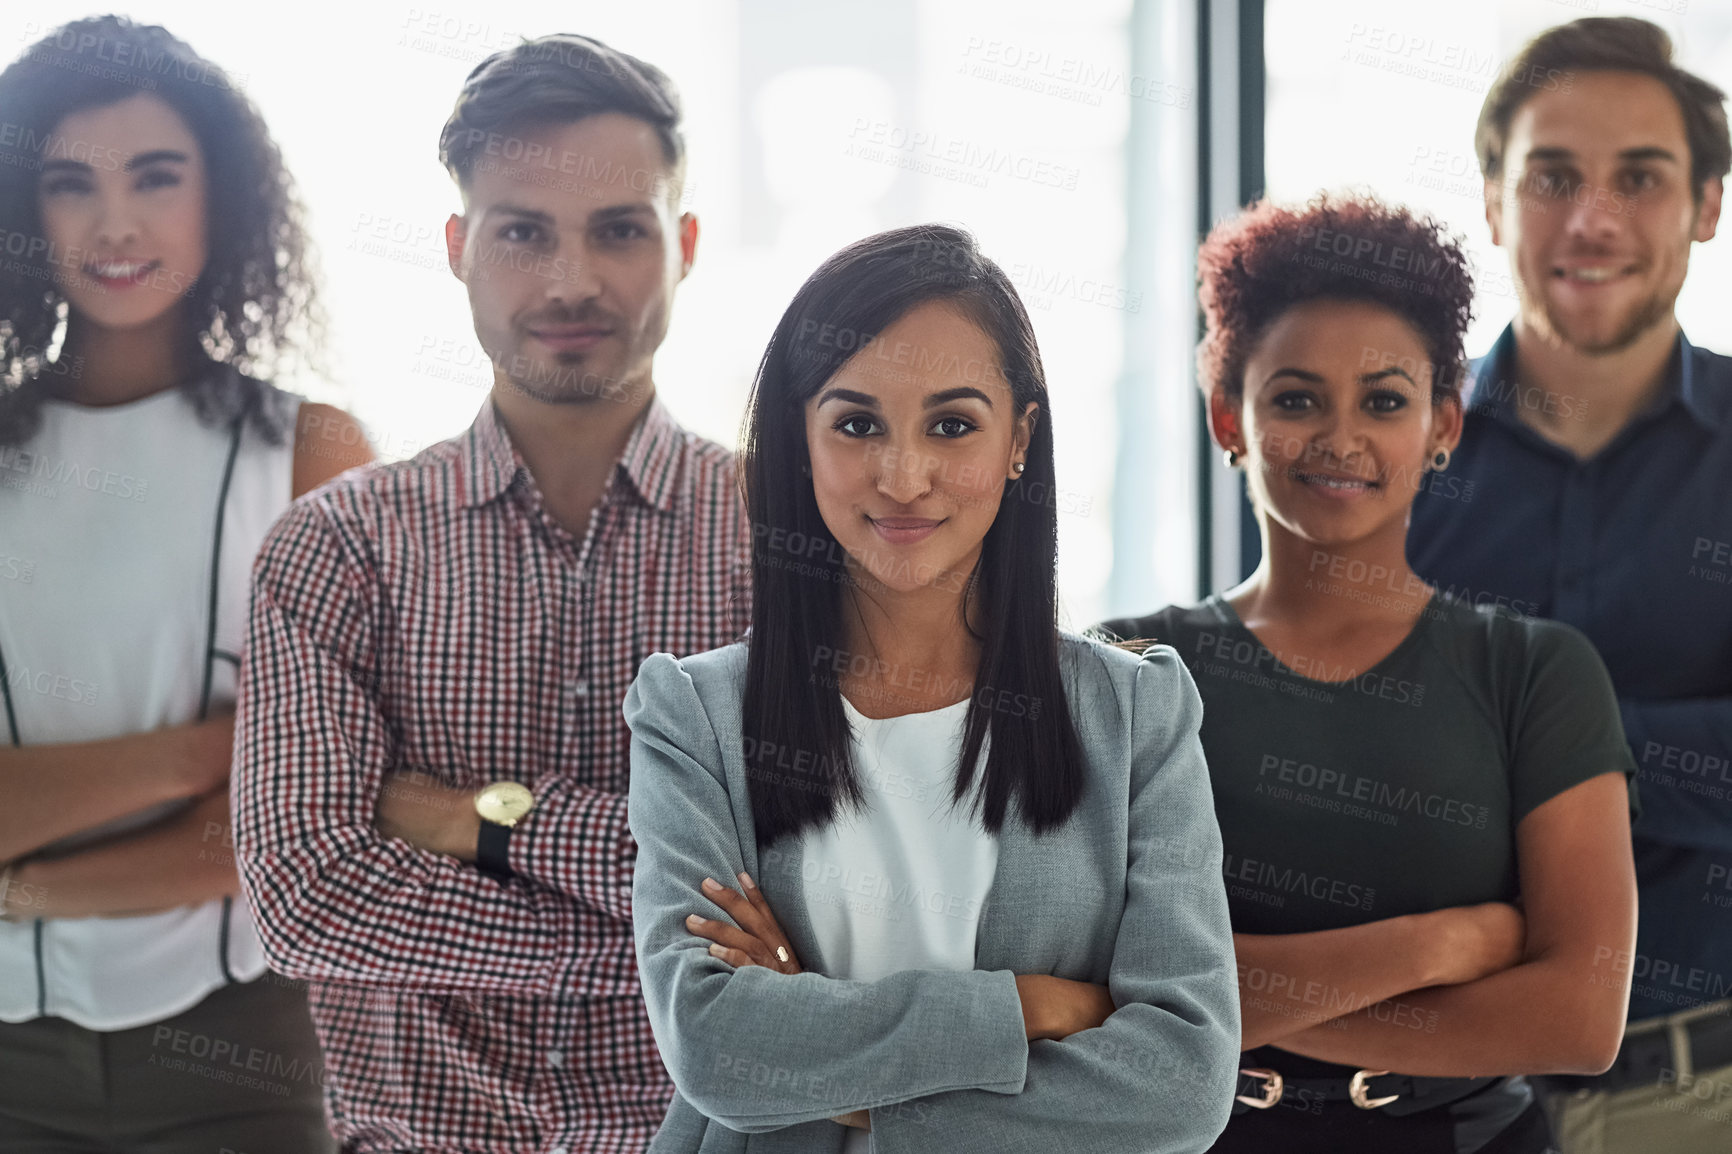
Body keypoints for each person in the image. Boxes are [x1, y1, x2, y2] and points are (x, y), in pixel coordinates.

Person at [231, 33, 750, 1153]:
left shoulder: (789, 544)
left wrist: (479, 821)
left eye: (619, 229)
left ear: (685, 243)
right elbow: (307, 896)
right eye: (523, 232)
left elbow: (810, 882)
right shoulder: (337, 548)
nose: (571, 281)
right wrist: (678, 949)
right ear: (462, 247)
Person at [625, 223, 1241, 1153]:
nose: (904, 476)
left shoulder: (1136, 716)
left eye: (951, 425)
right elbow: (718, 1054)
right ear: (800, 439)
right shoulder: (695, 717)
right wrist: (1025, 1009)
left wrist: (841, 1071)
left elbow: (1184, 1085)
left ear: (1019, 439)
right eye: (856, 423)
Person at [1098, 195, 1638, 1153]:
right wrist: (1437, 948)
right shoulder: (1127, 667)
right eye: (1296, 398)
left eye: (1384, 401)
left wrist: (1209, 1005)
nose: (1340, 438)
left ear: (1443, 424)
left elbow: (1578, 1019)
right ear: (1230, 415)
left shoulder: (1536, 672)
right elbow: (1080, 981)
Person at [0, 15, 371, 1150]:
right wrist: (200, 750)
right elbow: (239, 793)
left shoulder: (311, 451)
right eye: (71, 185)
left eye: (156, 176)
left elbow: (309, 826)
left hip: (240, 1057)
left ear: (225, 197)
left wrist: (26, 885)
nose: (115, 223)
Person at [1407, 17, 1732, 1152]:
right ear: (1493, 203)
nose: (1592, 220)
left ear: (1706, 205)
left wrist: (1526, 767)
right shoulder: (1384, 447)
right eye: (1552, 176)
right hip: (1419, 1094)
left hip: (1703, 1096)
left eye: (1640, 178)